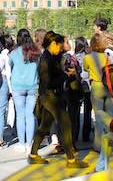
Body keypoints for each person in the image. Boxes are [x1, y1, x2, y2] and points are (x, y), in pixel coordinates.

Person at [28, 32, 89, 169]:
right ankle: (71, 159)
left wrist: (65, 74)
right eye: (60, 45)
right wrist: (65, 75)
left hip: (52, 95)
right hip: (50, 96)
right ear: (53, 43)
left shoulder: (52, 57)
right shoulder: (46, 59)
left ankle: (33, 154)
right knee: (65, 123)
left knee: (44, 126)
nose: (61, 48)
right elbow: (48, 81)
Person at [82, 33, 113, 152]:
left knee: (99, 116)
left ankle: (98, 145)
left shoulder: (88, 57)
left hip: (96, 87)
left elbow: (85, 69)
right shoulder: (108, 56)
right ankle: (111, 141)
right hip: (109, 87)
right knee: (110, 116)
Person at [9, 28, 40, 154]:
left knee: (20, 115)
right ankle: (29, 144)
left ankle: (22, 143)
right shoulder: (36, 52)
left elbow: (9, 67)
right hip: (32, 86)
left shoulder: (14, 53)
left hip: (17, 86)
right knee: (30, 115)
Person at [73, 36, 93, 142]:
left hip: (78, 85)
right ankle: (86, 134)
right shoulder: (89, 56)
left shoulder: (73, 57)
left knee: (76, 111)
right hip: (89, 85)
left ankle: (75, 134)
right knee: (88, 111)